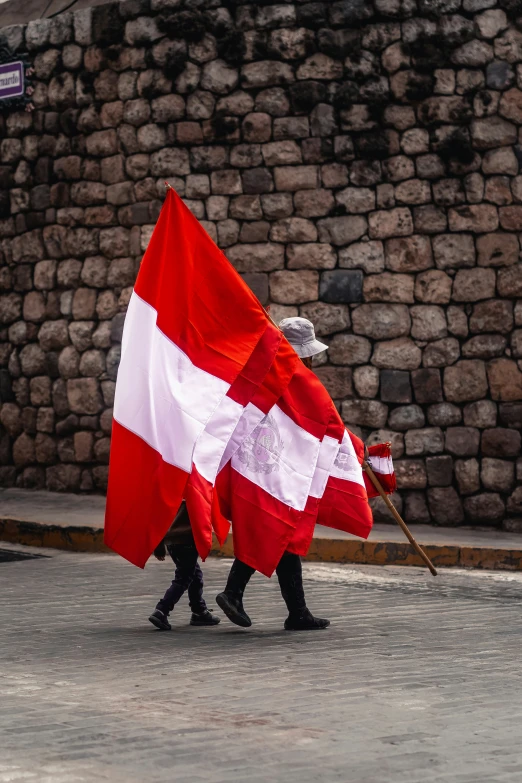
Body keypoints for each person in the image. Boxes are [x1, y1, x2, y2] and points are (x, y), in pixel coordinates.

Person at [216, 316, 332, 632]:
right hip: (269, 471)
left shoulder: (261, 374)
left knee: (284, 536)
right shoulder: (298, 382)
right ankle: (232, 592)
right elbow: (327, 423)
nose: (311, 360)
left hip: (261, 468)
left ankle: (298, 612)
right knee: (273, 529)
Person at [149, 501, 220, 630]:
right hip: (187, 541)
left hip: (172, 542)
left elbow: (160, 518)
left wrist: (159, 545)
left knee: (195, 575)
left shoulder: (172, 494)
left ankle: (199, 611)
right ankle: (161, 610)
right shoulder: (197, 492)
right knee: (184, 578)